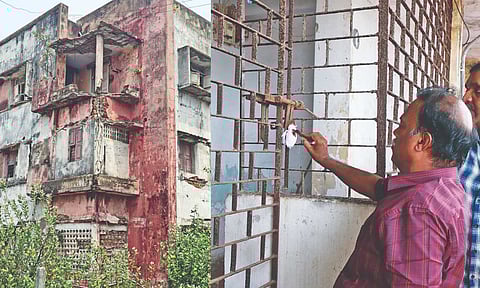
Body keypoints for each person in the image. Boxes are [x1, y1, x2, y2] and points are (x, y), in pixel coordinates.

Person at [303, 87, 478, 287]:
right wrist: (326, 159)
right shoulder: (442, 187)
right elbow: (377, 187)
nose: (395, 132)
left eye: (402, 126)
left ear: (422, 141)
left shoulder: (417, 210)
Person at [462, 63, 480, 287]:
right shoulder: (455, 152)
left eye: (478, 91)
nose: (466, 98)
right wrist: (328, 161)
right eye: (467, 88)